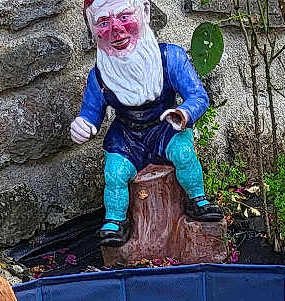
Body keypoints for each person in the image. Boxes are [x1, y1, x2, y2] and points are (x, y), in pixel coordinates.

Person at [69, 0, 222, 246]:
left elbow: (198, 96)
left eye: (125, 16)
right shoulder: (99, 75)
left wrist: (182, 113)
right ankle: (116, 221)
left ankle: (197, 199)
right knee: (115, 173)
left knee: (184, 154)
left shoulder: (170, 58)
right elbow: (91, 113)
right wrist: (84, 125)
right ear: (93, 29)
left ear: (145, 13)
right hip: (127, 137)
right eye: (103, 22)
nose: (116, 30)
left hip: (167, 127)